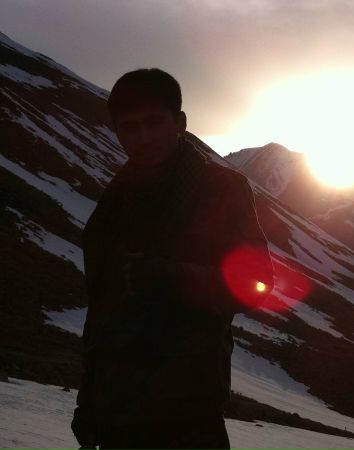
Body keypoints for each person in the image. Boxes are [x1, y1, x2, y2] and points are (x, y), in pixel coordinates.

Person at [71, 68, 273, 450]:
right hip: (116, 408)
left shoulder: (221, 189)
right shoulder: (113, 205)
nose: (143, 137)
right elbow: (100, 313)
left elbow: (256, 284)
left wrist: (171, 278)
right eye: (130, 127)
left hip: (187, 410)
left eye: (154, 122)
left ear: (180, 122)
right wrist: (88, 401)